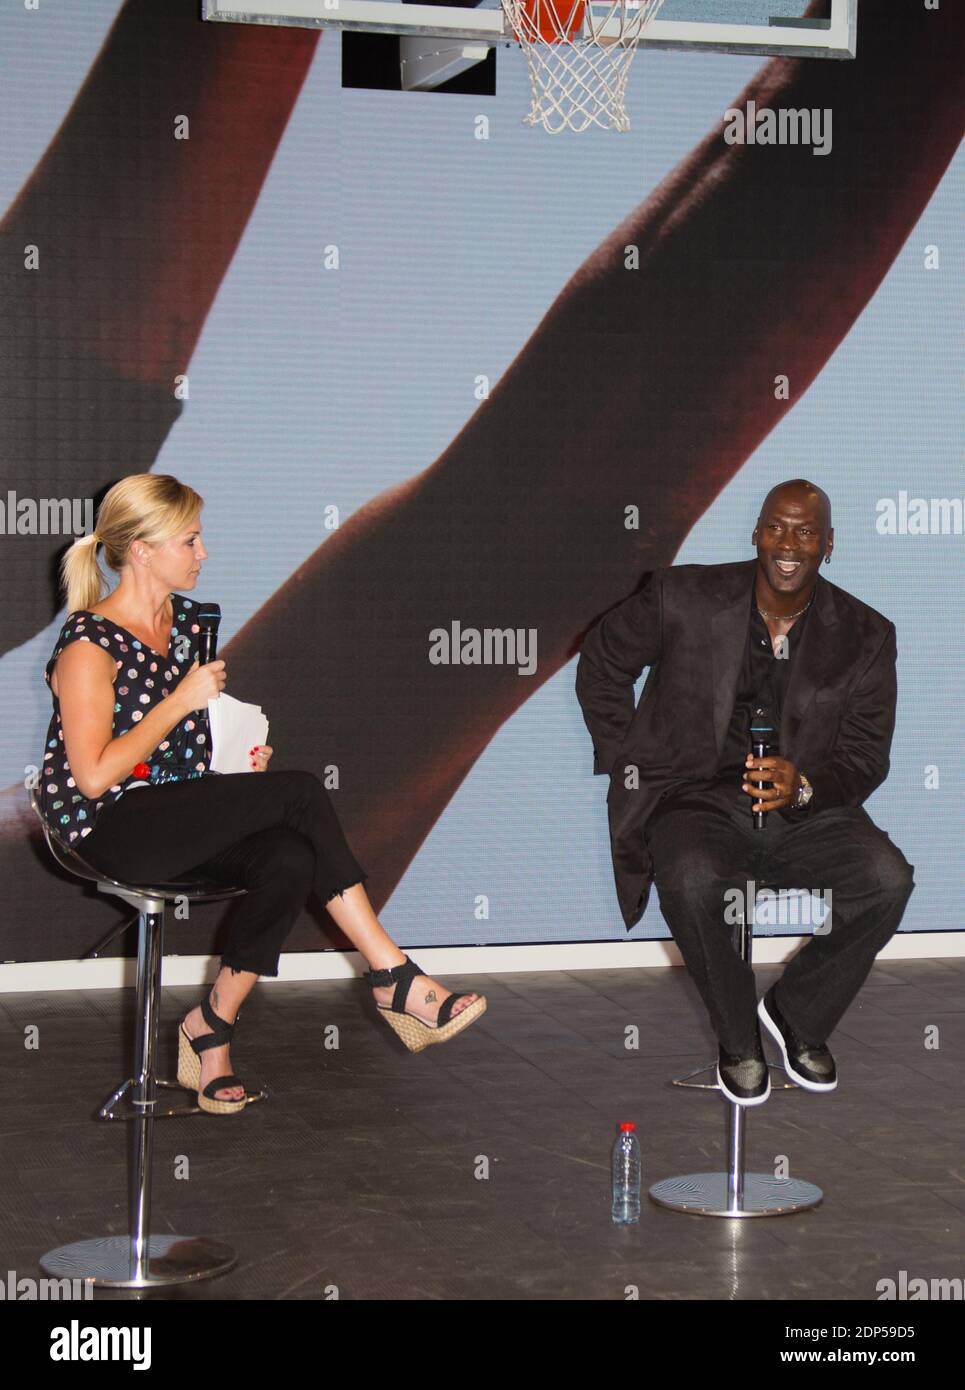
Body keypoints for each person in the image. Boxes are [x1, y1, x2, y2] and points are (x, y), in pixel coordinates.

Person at [41, 474, 486, 1115]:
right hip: (108, 828)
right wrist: (179, 703)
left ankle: (211, 1029)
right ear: (140, 550)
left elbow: (182, 749)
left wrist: (235, 761)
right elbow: (93, 776)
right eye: (189, 539)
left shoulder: (188, 624)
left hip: (172, 812)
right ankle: (393, 976)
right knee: (301, 794)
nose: (204, 553)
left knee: (288, 855)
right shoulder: (90, 644)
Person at [575, 479, 915, 1107]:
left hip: (804, 810)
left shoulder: (867, 635)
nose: (790, 544)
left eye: (807, 532)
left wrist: (804, 785)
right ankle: (738, 1039)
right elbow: (602, 661)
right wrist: (632, 758)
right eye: (778, 527)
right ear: (756, 533)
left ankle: (796, 1015)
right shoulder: (682, 596)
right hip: (697, 800)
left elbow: (867, 756)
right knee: (697, 877)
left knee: (887, 879)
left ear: (829, 545)